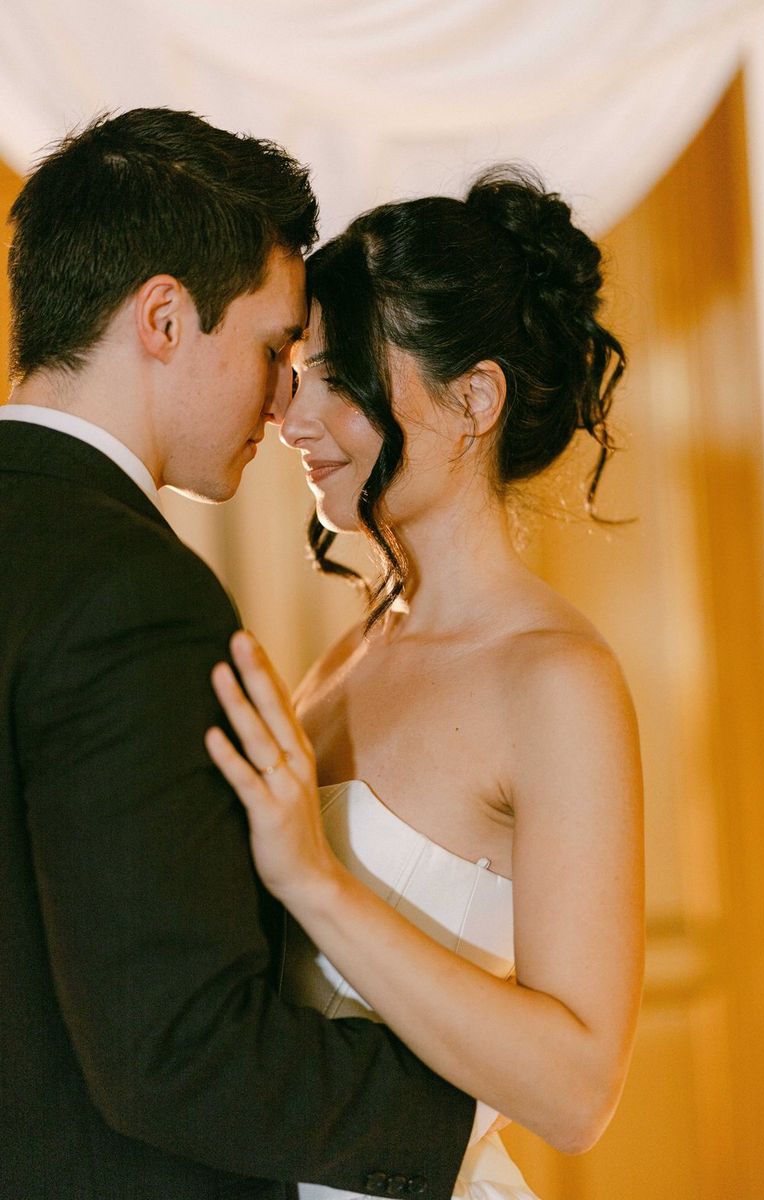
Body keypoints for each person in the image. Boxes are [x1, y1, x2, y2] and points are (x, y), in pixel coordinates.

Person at [0, 108, 477, 1200]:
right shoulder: (132, 595)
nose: (282, 398)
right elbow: (176, 1055)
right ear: (163, 317)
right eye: (271, 347)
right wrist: (469, 1104)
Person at [206, 170, 646, 1200]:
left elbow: (578, 1090)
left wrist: (310, 878)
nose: (292, 417)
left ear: (473, 400)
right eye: (293, 372)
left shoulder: (554, 679)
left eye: (339, 378)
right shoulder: (351, 650)